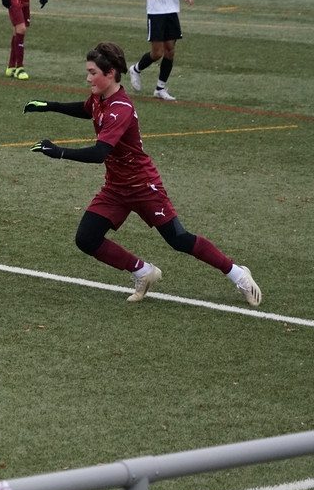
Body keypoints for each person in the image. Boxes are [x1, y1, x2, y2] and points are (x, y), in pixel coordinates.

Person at [25, 41, 261, 306]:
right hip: (116, 187)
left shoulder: (120, 108)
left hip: (143, 185)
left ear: (110, 73)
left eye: (92, 73)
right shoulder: (100, 99)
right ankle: (144, 272)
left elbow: (100, 153)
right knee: (86, 239)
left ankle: (238, 274)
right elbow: (86, 109)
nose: (88, 78)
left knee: (179, 239)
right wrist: (48, 105)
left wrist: (59, 152)